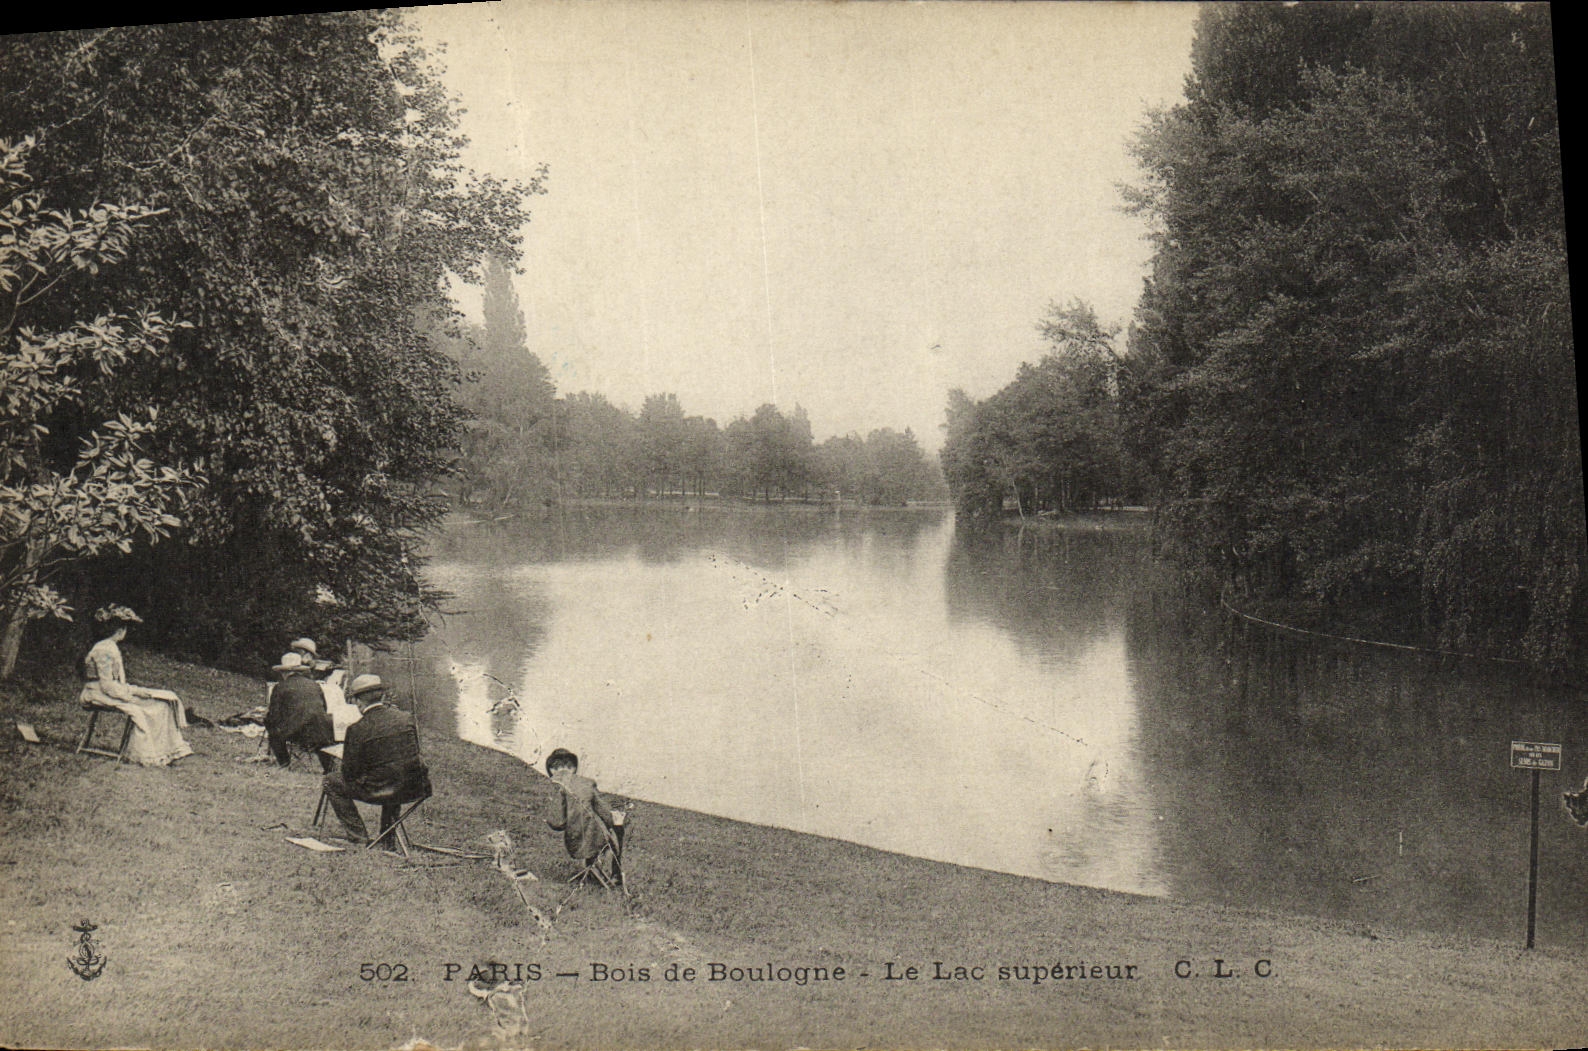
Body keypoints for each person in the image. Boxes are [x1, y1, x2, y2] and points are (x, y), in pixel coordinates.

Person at [321, 675, 432, 848]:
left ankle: (359, 837)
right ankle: (387, 837)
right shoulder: (406, 718)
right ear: (381, 696)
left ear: (358, 702)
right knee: (394, 770)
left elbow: (349, 773)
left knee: (331, 780)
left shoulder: (357, 729)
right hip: (416, 786)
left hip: (383, 789)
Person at [78, 605, 193, 767]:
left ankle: (165, 751)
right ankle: (145, 754)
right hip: (96, 692)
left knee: (163, 703)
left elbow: (115, 683)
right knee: (142, 709)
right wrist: (130, 696)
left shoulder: (110, 646)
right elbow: (106, 685)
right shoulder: (104, 648)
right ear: (120, 630)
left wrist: (135, 691)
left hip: (110, 691)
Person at [544, 748, 616, 871]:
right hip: (598, 839)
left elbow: (558, 822)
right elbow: (606, 815)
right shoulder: (587, 783)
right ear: (573, 768)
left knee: (588, 833)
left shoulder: (557, 788)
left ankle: (594, 870)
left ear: (552, 770)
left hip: (575, 842)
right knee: (613, 833)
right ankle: (608, 872)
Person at [265, 652, 336, 771]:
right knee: (320, 737)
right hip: (322, 730)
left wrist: (267, 721)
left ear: (284, 672)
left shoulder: (280, 687)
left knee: (274, 734)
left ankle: (284, 763)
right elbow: (324, 707)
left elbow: (274, 715)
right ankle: (329, 768)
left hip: (297, 731)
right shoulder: (314, 685)